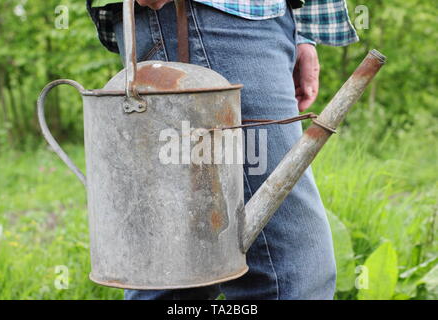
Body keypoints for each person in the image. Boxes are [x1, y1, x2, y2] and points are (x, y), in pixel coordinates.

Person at [87, 0, 358, 300]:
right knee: (289, 272)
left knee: (178, 269)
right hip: (202, 14)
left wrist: (299, 33)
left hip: (261, 20)